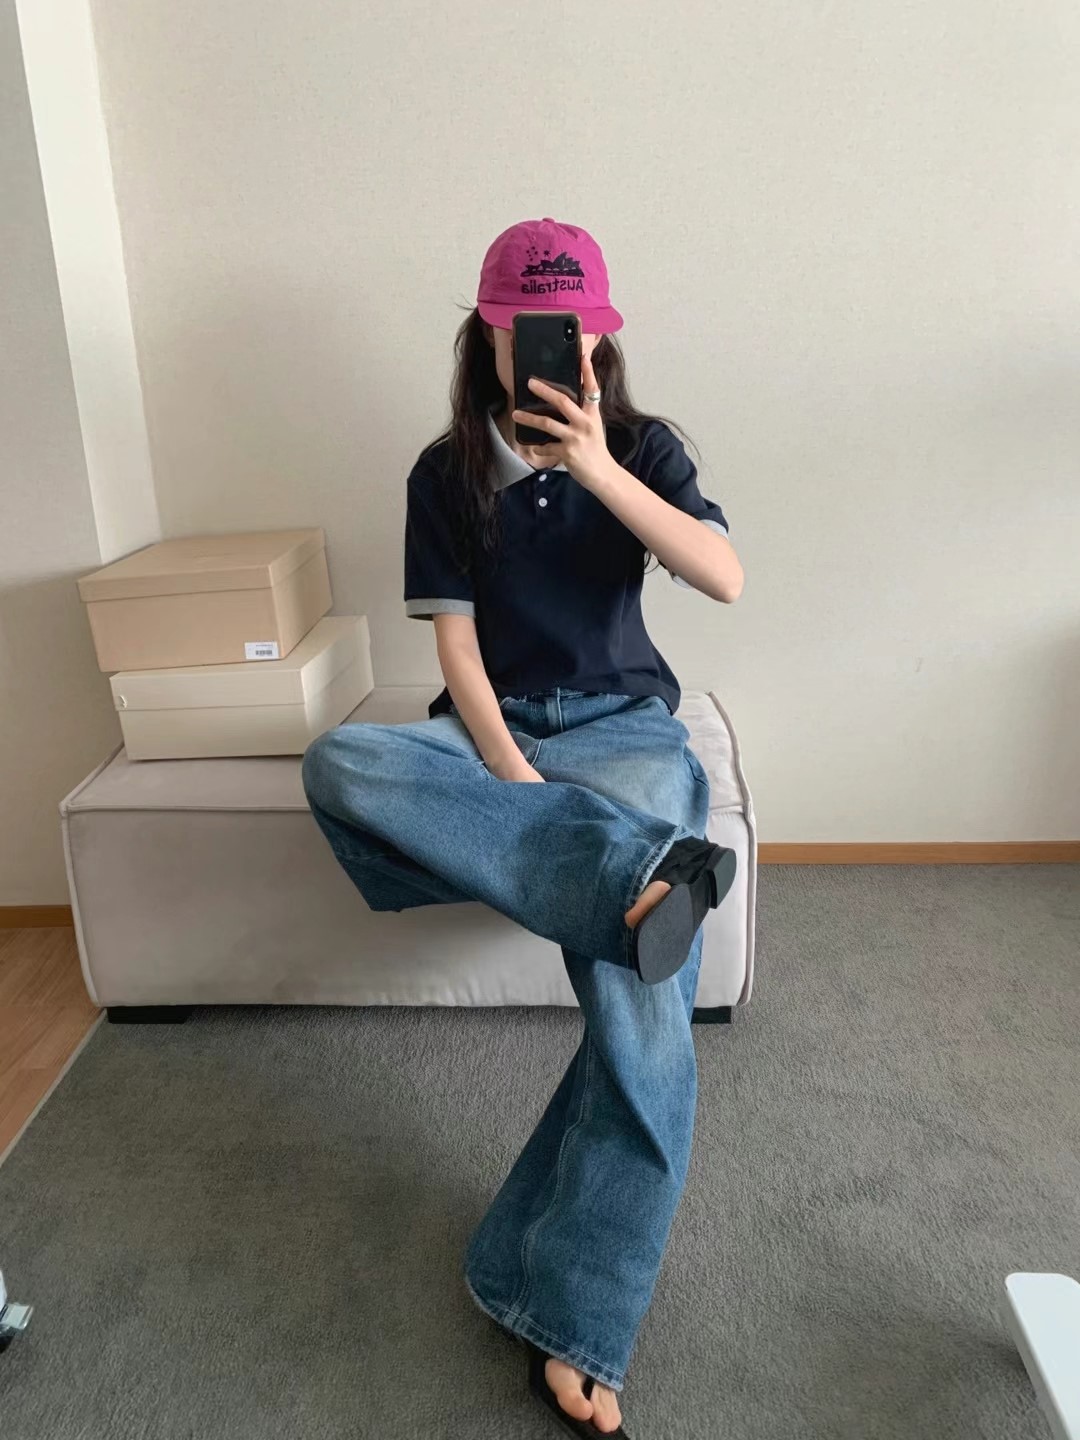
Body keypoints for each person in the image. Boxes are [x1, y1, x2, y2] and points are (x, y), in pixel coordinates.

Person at [302, 217, 744, 1436]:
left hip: (623, 728)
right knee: (340, 759)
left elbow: (724, 576)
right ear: (490, 336)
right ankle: (635, 875)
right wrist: (521, 786)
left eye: (579, 331)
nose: (560, 349)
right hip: (491, 736)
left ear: (600, 338)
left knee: (643, 995)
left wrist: (598, 466)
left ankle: (578, 1308)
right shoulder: (442, 472)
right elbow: (456, 651)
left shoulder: (644, 447)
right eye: (533, 330)